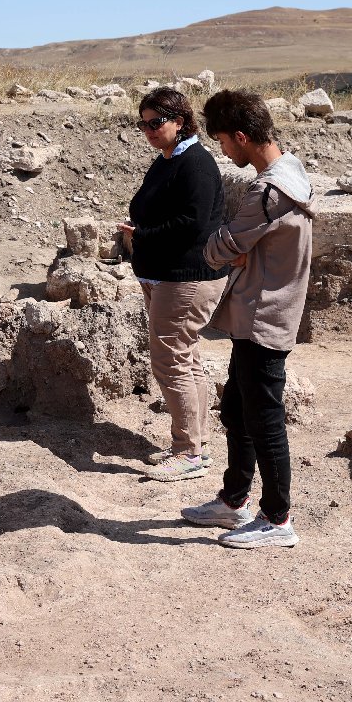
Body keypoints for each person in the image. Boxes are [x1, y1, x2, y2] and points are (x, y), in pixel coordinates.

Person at [181, 90, 315, 548]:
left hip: (265, 315)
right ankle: (234, 499)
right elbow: (241, 246)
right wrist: (241, 249)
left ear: (241, 136)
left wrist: (229, 248)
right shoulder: (290, 171)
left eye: (222, 140)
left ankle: (277, 519)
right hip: (258, 311)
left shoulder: (265, 191)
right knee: (237, 409)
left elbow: (220, 248)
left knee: (265, 419)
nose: (222, 150)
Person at [119, 87, 228, 482]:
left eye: (156, 123)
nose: (148, 130)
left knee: (170, 360)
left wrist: (144, 234)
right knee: (186, 358)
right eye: (143, 123)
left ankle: (188, 453)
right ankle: (196, 443)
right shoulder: (168, 160)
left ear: (179, 122)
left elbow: (194, 224)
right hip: (164, 275)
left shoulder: (196, 163)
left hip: (186, 276)